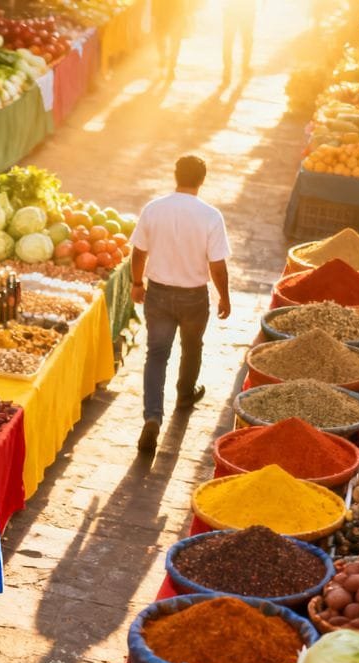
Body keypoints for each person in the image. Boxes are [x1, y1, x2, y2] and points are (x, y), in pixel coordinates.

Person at [130, 155, 232, 454]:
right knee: (192, 347)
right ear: (202, 180)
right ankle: (185, 396)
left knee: (157, 354)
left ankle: (152, 417)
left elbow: (138, 253)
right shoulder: (211, 216)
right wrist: (224, 295)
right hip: (193, 297)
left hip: (159, 294)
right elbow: (217, 266)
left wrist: (137, 283)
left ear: (175, 175)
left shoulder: (154, 209)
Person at [150, 0, 188, 79]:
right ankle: (166, 65)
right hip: (168, 14)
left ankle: (168, 67)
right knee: (170, 43)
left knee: (171, 43)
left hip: (172, 15)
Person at [222, 0, 256, 84]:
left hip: (231, 10)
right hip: (247, 10)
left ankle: (227, 70)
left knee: (228, 41)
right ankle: (245, 67)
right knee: (247, 40)